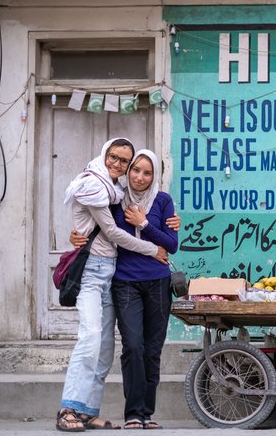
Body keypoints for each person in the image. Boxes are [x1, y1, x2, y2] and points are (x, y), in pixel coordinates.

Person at [57, 138, 169, 432]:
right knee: (92, 337)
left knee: (105, 347)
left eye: (124, 161)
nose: (118, 165)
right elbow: (110, 230)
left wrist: (158, 226)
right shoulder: (95, 185)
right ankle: (68, 408)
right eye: (115, 158)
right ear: (104, 154)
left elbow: (170, 240)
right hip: (95, 273)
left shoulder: (116, 191)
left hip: (111, 272)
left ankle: (87, 411)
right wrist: (152, 248)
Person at [110, 149, 178, 430]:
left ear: (154, 176)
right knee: (133, 346)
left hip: (159, 283)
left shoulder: (163, 201)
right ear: (128, 171)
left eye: (147, 172)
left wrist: (145, 223)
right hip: (125, 282)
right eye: (135, 170)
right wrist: (153, 244)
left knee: (152, 349)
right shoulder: (116, 199)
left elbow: (172, 244)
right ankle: (133, 413)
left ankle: (146, 413)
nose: (140, 177)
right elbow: (115, 236)